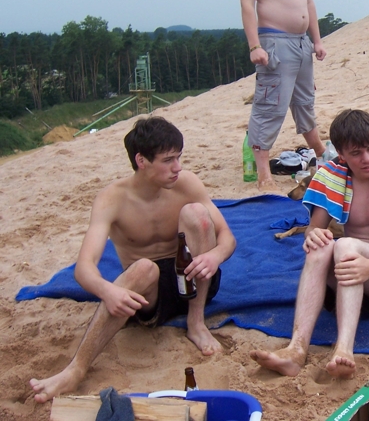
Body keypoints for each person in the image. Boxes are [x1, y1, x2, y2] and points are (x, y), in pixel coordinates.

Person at [29, 116, 236, 403]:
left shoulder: (186, 183)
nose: (177, 167)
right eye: (168, 160)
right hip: (148, 294)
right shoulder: (112, 199)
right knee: (143, 268)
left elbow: (227, 237)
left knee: (198, 215)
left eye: (179, 157)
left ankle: (196, 322)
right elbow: (84, 267)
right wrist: (107, 290)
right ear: (141, 161)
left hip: (195, 277)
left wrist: (214, 255)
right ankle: (76, 369)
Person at [249, 109, 369, 379]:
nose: (367, 159)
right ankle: (296, 349)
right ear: (341, 155)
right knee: (323, 244)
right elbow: (315, 228)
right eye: (356, 153)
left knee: (345, 246)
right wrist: (312, 235)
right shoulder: (333, 176)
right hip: (350, 273)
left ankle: (343, 348)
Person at [238, 0, 326, 191]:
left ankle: (320, 152)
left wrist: (317, 40)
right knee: (270, 105)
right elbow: (247, 4)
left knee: (304, 101)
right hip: (273, 41)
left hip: (302, 43)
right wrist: (254, 46)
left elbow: (308, 1)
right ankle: (263, 171)